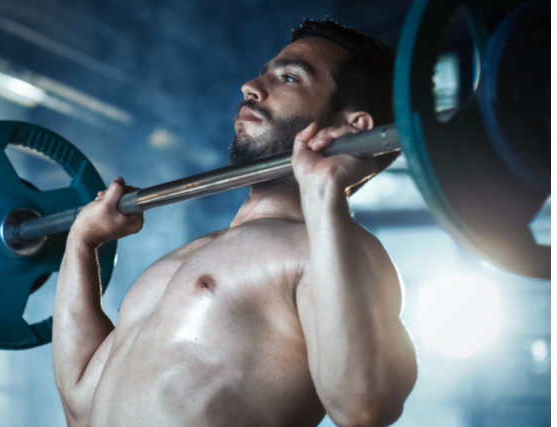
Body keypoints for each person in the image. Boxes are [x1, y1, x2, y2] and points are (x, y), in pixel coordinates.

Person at [52, 18, 417, 427]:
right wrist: (81, 244)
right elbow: (80, 405)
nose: (252, 86)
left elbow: (364, 408)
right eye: (264, 73)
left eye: (290, 78)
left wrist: (322, 193)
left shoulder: (335, 254)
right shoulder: (180, 261)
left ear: (351, 128)